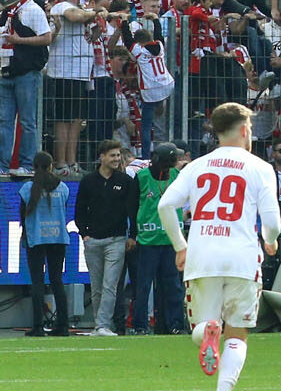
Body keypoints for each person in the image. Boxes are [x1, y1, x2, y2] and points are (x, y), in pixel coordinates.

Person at [157, 103, 280, 391]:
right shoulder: (260, 168)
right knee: (237, 334)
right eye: (249, 128)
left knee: (203, 326)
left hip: (202, 256)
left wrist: (180, 246)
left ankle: (209, 331)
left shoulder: (196, 166)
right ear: (242, 130)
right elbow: (272, 222)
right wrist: (271, 240)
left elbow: (165, 206)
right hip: (242, 257)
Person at [74, 139, 135, 337]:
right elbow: (80, 210)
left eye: (118, 155)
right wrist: (85, 234)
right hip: (93, 241)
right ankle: (98, 325)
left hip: (116, 240)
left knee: (110, 284)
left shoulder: (125, 181)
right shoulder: (88, 181)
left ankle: (103, 325)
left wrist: (132, 235)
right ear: (102, 157)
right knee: (96, 286)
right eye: (113, 155)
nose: (117, 159)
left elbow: (132, 211)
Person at [0, 0, 53, 179]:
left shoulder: (33, 10)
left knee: (27, 121)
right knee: (5, 120)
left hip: (27, 72)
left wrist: (20, 40)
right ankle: (1, 164)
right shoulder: (7, 12)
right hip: (8, 70)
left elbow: (46, 37)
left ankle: (27, 164)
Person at [131, 144, 186, 335]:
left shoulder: (177, 176)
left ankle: (175, 325)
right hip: (148, 241)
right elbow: (132, 207)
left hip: (171, 240)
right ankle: (140, 325)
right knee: (143, 286)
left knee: (173, 286)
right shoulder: (142, 177)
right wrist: (132, 234)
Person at [20, 152, 73, 337]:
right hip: (58, 238)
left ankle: (37, 326)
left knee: (37, 282)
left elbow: (22, 215)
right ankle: (63, 325)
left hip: (36, 238)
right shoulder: (63, 188)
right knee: (57, 280)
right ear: (51, 166)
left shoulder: (28, 188)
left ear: (34, 167)